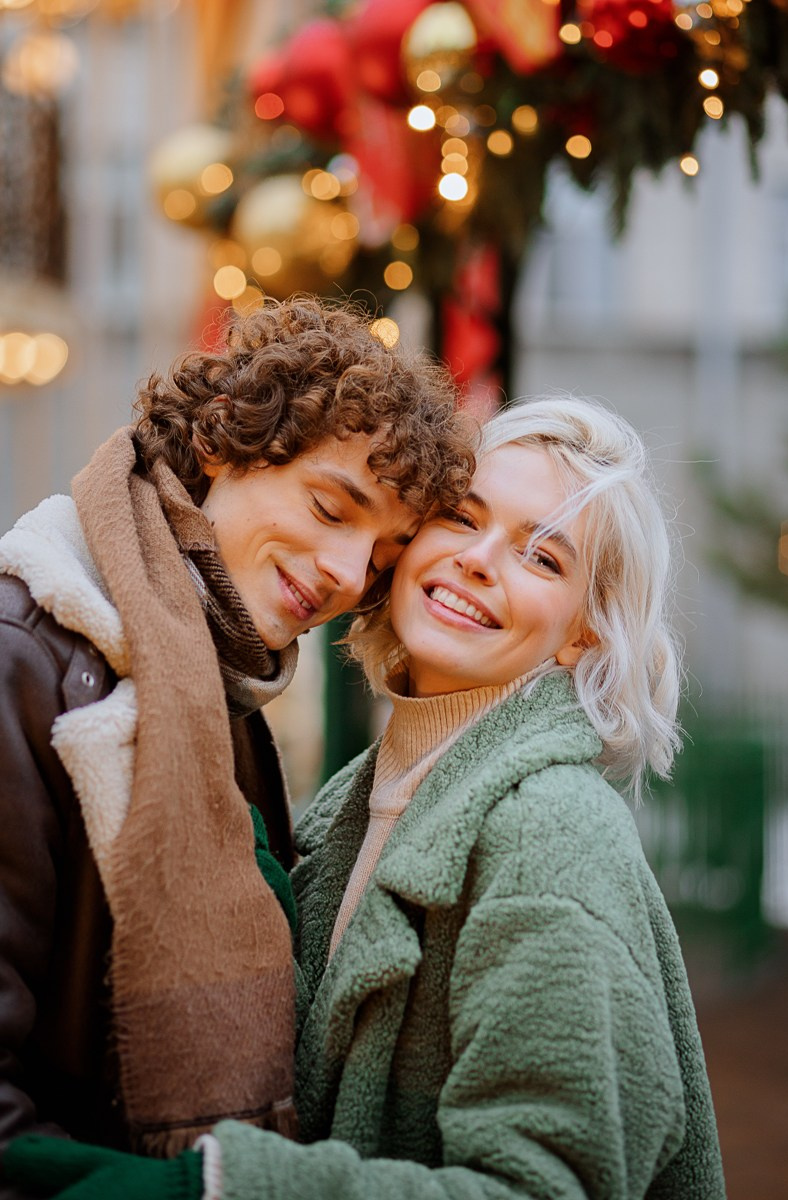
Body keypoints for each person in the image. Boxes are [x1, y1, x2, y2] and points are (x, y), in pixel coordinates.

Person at [2, 395, 726, 1200]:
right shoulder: (358, 798)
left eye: (543, 557)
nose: (480, 559)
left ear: (583, 632)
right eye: (460, 518)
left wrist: (226, 1188)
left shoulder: (551, 829)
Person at [0, 294, 475, 1191]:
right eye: (334, 508)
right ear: (222, 438)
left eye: (380, 557)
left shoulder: (220, 689)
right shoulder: (22, 662)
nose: (346, 577)